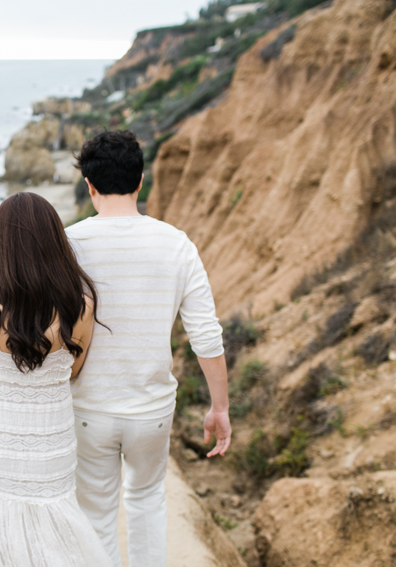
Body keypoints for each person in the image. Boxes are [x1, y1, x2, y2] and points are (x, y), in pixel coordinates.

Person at [66, 130, 231, 567]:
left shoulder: (68, 245)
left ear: (89, 185)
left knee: (96, 514)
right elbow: (206, 335)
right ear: (141, 180)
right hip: (152, 409)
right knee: (146, 501)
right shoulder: (177, 244)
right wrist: (220, 408)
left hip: (87, 409)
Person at [0, 192, 111, 566]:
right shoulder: (81, 306)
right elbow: (73, 372)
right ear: (55, 242)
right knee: (57, 543)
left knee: (2, 545)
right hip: (54, 446)